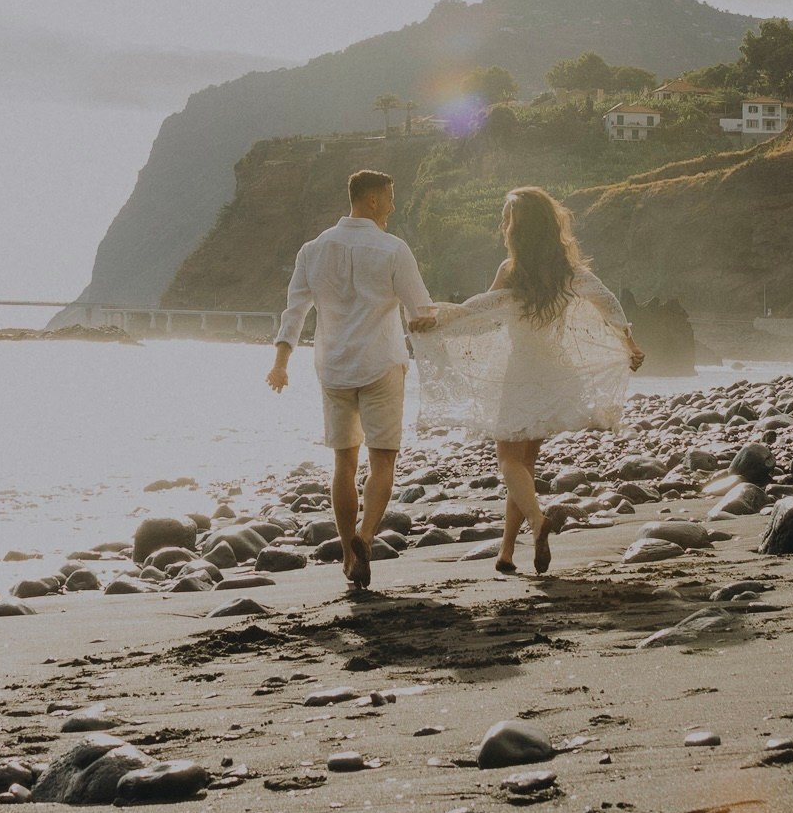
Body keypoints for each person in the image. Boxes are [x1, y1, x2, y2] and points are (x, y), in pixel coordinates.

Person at [414, 185, 643, 577]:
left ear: (519, 231)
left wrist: (434, 322)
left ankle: (537, 521)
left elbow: (478, 313)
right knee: (524, 466)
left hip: (521, 376)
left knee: (507, 459)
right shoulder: (568, 272)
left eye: (507, 220)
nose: (503, 226)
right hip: (556, 375)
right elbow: (609, 302)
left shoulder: (511, 271)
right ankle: (506, 552)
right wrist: (629, 343)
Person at [267, 168, 436, 592]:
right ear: (373, 199)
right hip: (381, 365)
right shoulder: (393, 249)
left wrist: (281, 362)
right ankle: (364, 539)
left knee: (344, 462)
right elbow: (421, 312)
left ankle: (347, 555)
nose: (394, 207)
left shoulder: (313, 250)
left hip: (334, 369)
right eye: (390, 197)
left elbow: (295, 312)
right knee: (383, 461)